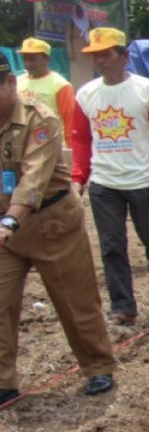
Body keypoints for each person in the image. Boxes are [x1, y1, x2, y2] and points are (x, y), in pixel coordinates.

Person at [0, 54, 115, 404]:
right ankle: (4, 381)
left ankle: (97, 367)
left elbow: (34, 178)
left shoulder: (40, 118)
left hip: (51, 223)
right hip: (6, 230)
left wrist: (10, 220)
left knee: (74, 301)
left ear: (9, 84)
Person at [72, 27, 149, 326]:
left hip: (142, 181)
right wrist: (78, 178)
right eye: (95, 56)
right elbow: (81, 139)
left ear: (124, 56)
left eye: (106, 54)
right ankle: (123, 306)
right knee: (111, 246)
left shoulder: (148, 90)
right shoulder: (86, 94)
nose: (100, 61)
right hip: (104, 183)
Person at [16, 38, 77, 139]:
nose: (28, 64)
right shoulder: (17, 82)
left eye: (32, 59)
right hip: (23, 146)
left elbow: (70, 120)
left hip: (52, 147)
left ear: (47, 59)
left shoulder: (60, 85)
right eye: (25, 59)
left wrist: (69, 150)